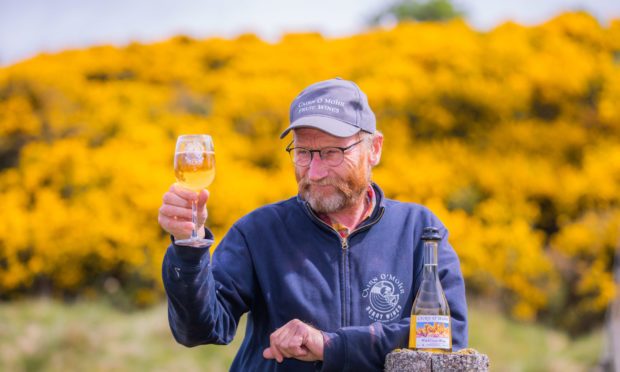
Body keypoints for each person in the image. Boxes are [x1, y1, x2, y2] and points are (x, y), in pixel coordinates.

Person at [158, 78, 468, 371]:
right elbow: (198, 330)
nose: (315, 172)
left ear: (374, 149)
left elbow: (449, 333)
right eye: (304, 153)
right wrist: (189, 245)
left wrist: (331, 345)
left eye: (333, 152)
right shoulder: (257, 232)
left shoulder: (419, 231)